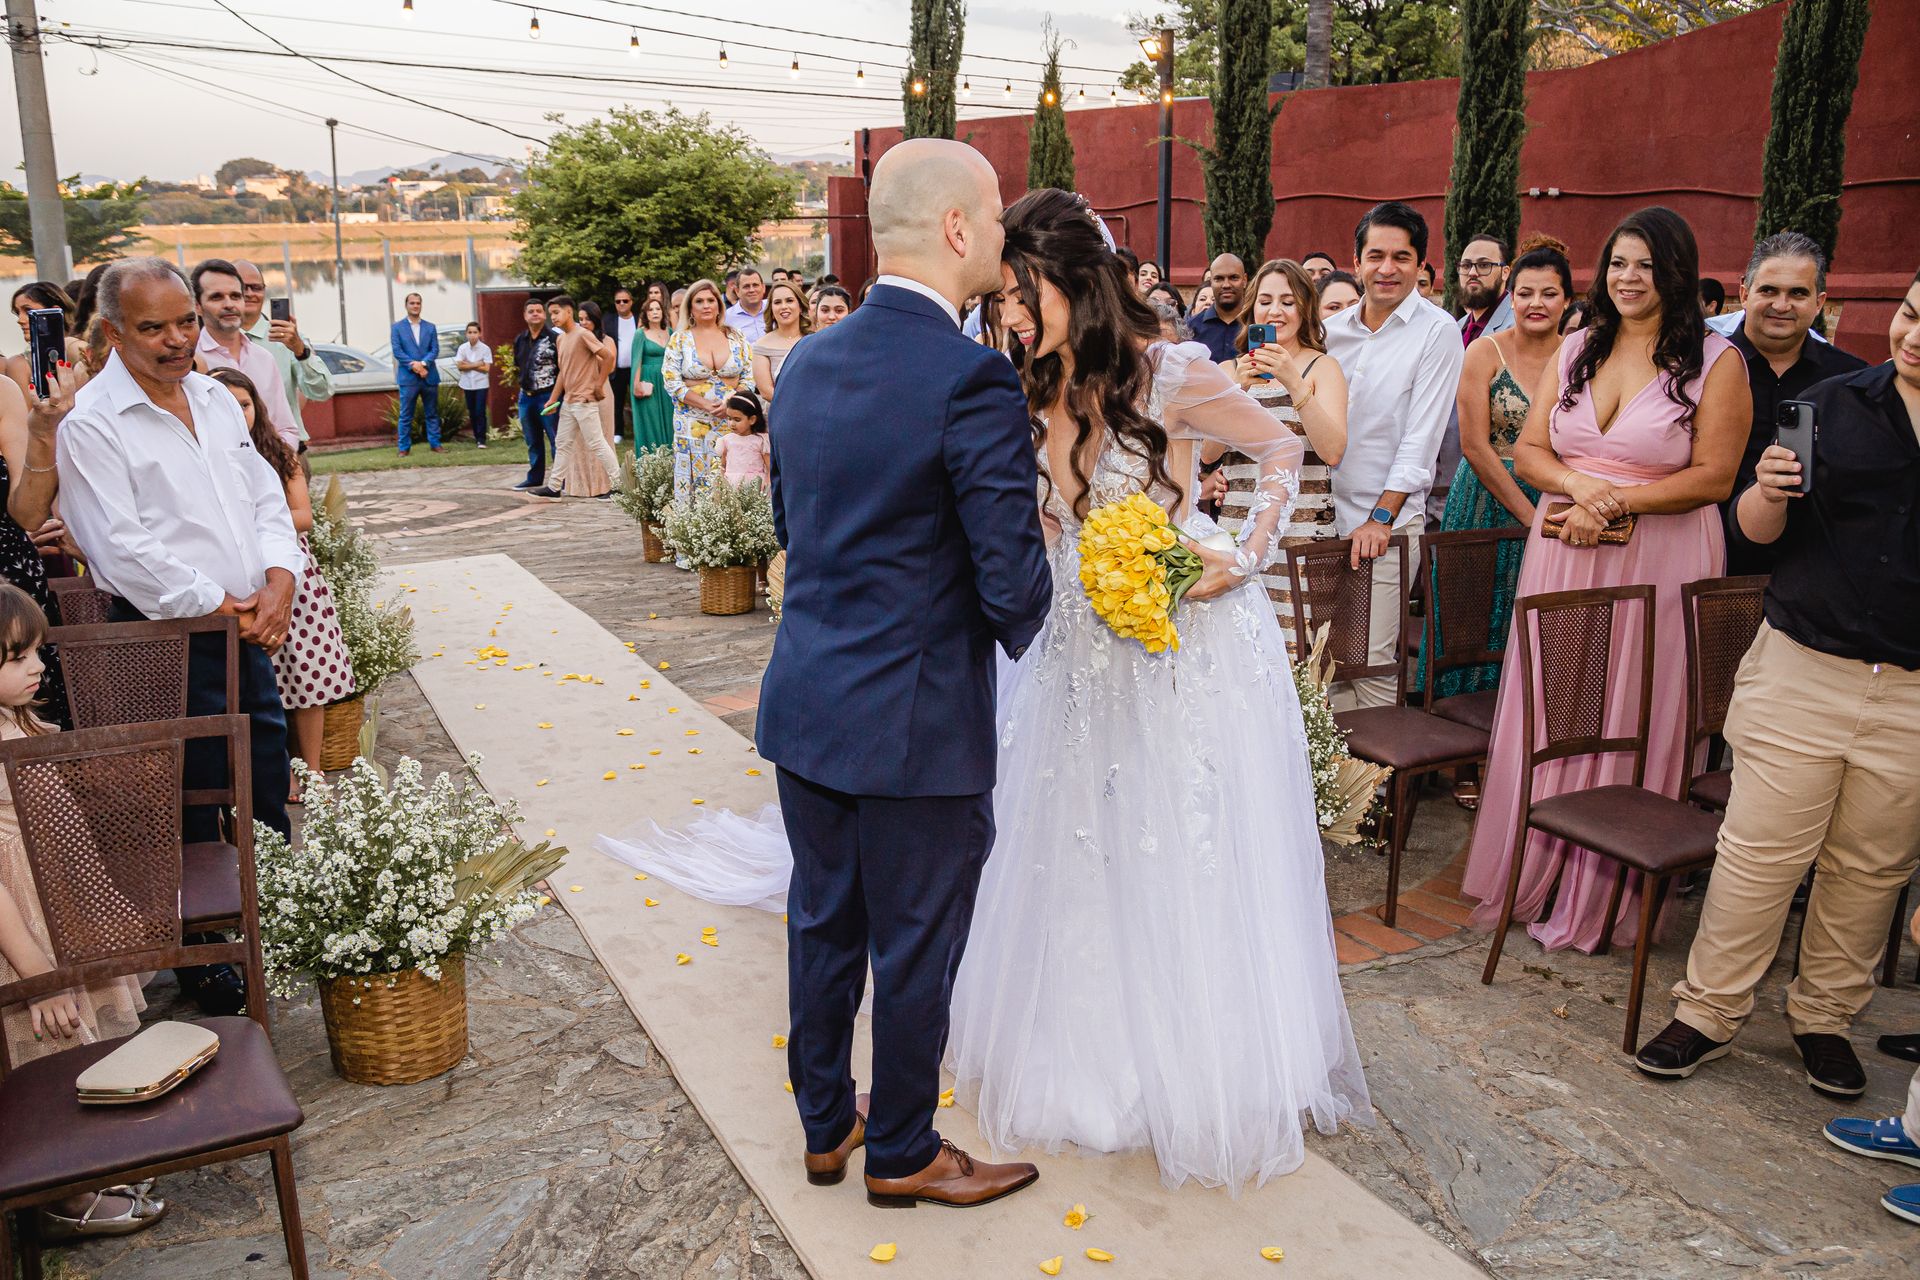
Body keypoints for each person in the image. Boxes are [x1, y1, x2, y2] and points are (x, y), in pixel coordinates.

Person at [604, 183, 1372, 1195]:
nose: (1009, 312)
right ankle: (938, 1124)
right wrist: (1034, 598)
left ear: (1073, 284)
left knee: (1160, 839)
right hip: (1059, 645)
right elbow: (1009, 551)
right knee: (1047, 855)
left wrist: (1232, 558)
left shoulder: (1165, 371)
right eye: (1006, 294)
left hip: (1163, 638)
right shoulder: (1002, 384)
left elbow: (1283, 447)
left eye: (1024, 295)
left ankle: (842, 1120)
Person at [761, 140, 1051, 1208]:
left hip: (808, 701)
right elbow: (1013, 583)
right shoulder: (969, 375)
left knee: (822, 919)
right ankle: (903, 1149)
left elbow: (794, 525)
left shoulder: (806, 363)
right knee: (918, 939)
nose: (1006, 234)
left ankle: (826, 1126)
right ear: (961, 230)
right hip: (916, 720)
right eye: (997, 215)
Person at [1634, 270, 1920, 1112]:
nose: (1913, 336)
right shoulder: (1835, 403)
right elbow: (1753, 534)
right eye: (1909, 314)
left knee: (1870, 868)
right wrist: (1765, 490)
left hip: (1909, 692)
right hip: (1804, 667)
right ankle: (1710, 1011)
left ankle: (1824, 1016)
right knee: (1760, 854)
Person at [1460, 206, 1749, 954]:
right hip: (1563, 547)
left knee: (1636, 706)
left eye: (1646, 266)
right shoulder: (1578, 347)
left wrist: (1611, 500)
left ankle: (1608, 892)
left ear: (1677, 274)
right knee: (1558, 701)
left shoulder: (1718, 363)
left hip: (1663, 555)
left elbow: (1715, 477)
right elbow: (1528, 451)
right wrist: (1581, 493)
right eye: (1618, 263)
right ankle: (1537, 870)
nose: (1628, 278)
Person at [0, 584, 167, 1243]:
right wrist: (35, 969)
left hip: (58, 902)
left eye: (37, 651)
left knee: (84, 1044)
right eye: (16, 656)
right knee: (50, 1048)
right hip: (24, 930)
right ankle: (60, 1194)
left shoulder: (16, 720)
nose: (37, 666)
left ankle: (84, 1170)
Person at [1321, 201, 1464, 709]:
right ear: (1355, 262)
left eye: (1401, 257)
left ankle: (1375, 789)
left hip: (1386, 526)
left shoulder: (1436, 330)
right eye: (1376, 255)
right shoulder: (1329, 334)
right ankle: (1332, 787)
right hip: (1319, 522)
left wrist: (1380, 518)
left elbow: (1420, 441)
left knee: (1374, 663)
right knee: (1324, 663)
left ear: (1421, 266)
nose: (1387, 268)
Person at [1417, 243, 1571, 705]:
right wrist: (1530, 518)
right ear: (1511, 293)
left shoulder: (1580, 356)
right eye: (1525, 293)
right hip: (1484, 501)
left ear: (1567, 299)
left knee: (1533, 622)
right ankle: (1454, 752)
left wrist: (1552, 511)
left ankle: (1523, 736)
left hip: (1554, 501)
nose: (1536, 304)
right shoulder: (1484, 352)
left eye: (1549, 293)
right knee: (1470, 620)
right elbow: (1474, 446)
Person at [211, 368, 354, 803]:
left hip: (294, 576)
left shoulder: (280, 454)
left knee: (306, 675)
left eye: (244, 403)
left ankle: (311, 769)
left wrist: (246, 527)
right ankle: (279, 772)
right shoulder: (206, 458)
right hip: (237, 583)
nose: (237, 412)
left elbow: (303, 518)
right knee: (262, 680)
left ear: (257, 406)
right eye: (226, 404)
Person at [1214, 257, 1348, 647]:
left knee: (1300, 658)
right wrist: (1236, 391)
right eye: (1266, 300)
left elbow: (1333, 450)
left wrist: (1292, 381)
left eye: (1288, 301)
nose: (1275, 310)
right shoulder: (1228, 370)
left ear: (1305, 308)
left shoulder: (1324, 368)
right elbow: (1207, 454)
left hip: (1301, 543)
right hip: (1238, 534)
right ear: (1252, 307)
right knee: (1239, 655)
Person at [1715, 232, 1867, 575]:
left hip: (1814, 570)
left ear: (1819, 302)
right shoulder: (1699, 366)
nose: (1781, 305)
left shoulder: (1850, 379)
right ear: (1744, 292)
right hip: (1709, 561)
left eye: (1798, 293)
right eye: (1768, 290)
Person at [0, 363, 76, 726]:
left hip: (11, 588)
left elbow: (29, 515)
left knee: (31, 728)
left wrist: (45, 431)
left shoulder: (3, 392)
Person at [664, 280, 755, 516]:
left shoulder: (735, 336)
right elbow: (671, 382)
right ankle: (693, 543)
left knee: (730, 476)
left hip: (730, 420)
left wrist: (730, 401)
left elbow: (750, 375)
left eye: (710, 300)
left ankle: (732, 541)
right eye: (699, 301)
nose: (706, 306)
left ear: (719, 304)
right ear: (690, 308)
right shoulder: (679, 339)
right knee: (694, 483)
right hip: (690, 423)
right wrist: (704, 402)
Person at [191, 260, 302, 450]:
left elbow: (287, 429)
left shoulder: (265, 358)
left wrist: (277, 464)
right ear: (197, 306)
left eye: (235, 296)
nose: (229, 305)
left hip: (272, 469)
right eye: (216, 297)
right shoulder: (190, 363)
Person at [231, 259, 330, 450]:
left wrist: (300, 351)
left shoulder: (289, 338)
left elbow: (322, 391)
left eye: (256, 287)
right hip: (234, 453)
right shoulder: (212, 342)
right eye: (243, 287)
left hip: (286, 450)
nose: (250, 294)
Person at [535, 296, 619, 500]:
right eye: (551, 314)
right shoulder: (561, 339)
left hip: (585, 401)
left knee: (597, 443)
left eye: (556, 312)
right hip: (569, 402)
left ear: (568, 312)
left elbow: (608, 357)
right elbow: (564, 372)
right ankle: (554, 487)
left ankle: (619, 485)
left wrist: (598, 384)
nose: (552, 317)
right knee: (563, 443)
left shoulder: (583, 335)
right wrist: (553, 399)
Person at [4, 283, 88, 404]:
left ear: (53, 311)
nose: (20, 320)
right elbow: (24, 419)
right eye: (18, 313)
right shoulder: (20, 364)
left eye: (28, 311)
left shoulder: (81, 347)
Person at [512, 298, 559, 490]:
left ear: (544, 314)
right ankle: (535, 477)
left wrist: (556, 397)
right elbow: (518, 364)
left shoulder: (554, 339)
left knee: (556, 439)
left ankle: (559, 480)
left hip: (548, 397)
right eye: (531, 311)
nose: (535, 314)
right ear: (525, 315)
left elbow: (561, 367)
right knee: (532, 440)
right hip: (526, 397)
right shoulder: (520, 339)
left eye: (539, 311)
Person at [390, 292, 441, 454]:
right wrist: (415, 366)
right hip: (408, 378)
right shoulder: (397, 328)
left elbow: (435, 349)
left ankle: (435, 444)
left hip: (429, 376)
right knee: (406, 415)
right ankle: (404, 448)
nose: (415, 306)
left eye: (418, 303)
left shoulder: (430, 327)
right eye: (412, 303)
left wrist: (423, 364)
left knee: (432, 413)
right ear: (406, 305)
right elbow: (397, 351)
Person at [628, 292, 674, 452]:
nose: (655, 312)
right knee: (651, 420)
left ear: (663, 312)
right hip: (649, 381)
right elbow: (636, 361)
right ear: (646, 314)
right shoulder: (640, 333)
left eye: (658, 309)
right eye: (651, 310)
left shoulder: (671, 332)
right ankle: (653, 461)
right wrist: (636, 385)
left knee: (670, 419)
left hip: (668, 381)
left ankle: (671, 459)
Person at [752, 280, 809, 402]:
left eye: (789, 300)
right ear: (771, 310)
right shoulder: (762, 345)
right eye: (777, 302)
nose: (784, 306)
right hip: (778, 412)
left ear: (800, 306)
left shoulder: (814, 340)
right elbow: (766, 391)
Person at [1187, 253, 1249, 363]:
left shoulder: (1256, 324)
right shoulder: (1191, 328)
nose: (1226, 285)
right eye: (1219, 279)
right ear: (1211, 282)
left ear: (1244, 280)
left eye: (1233, 278)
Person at [713, 389, 771, 492]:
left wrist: (767, 484)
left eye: (737, 419)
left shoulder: (760, 441)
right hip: (731, 486)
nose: (732, 424)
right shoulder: (726, 440)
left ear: (752, 419)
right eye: (729, 418)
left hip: (754, 487)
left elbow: (769, 467)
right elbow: (723, 465)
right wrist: (721, 484)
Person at [608, 285, 639, 440]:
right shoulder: (609, 320)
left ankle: (638, 431)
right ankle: (618, 432)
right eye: (618, 301)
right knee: (617, 402)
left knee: (638, 401)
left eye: (625, 301)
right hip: (617, 369)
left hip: (636, 369)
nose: (621, 304)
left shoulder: (639, 318)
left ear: (631, 302)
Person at [455, 321, 492, 448]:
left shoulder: (485, 349)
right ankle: (476, 436)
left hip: (481, 384)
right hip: (467, 384)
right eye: (470, 332)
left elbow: (486, 368)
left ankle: (482, 439)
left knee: (480, 411)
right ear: (466, 334)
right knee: (472, 411)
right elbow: (460, 366)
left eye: (475, 332)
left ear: (479, 333)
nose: (472, 335)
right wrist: (477, 364)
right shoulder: (462, 348)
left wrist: (468, 365)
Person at [725, 267, 769, 342]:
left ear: (763, 288)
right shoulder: (727, 318)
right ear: (737, 291)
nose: (752, 290)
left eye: (755, 285)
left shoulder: (773, 309)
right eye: (746, 286)